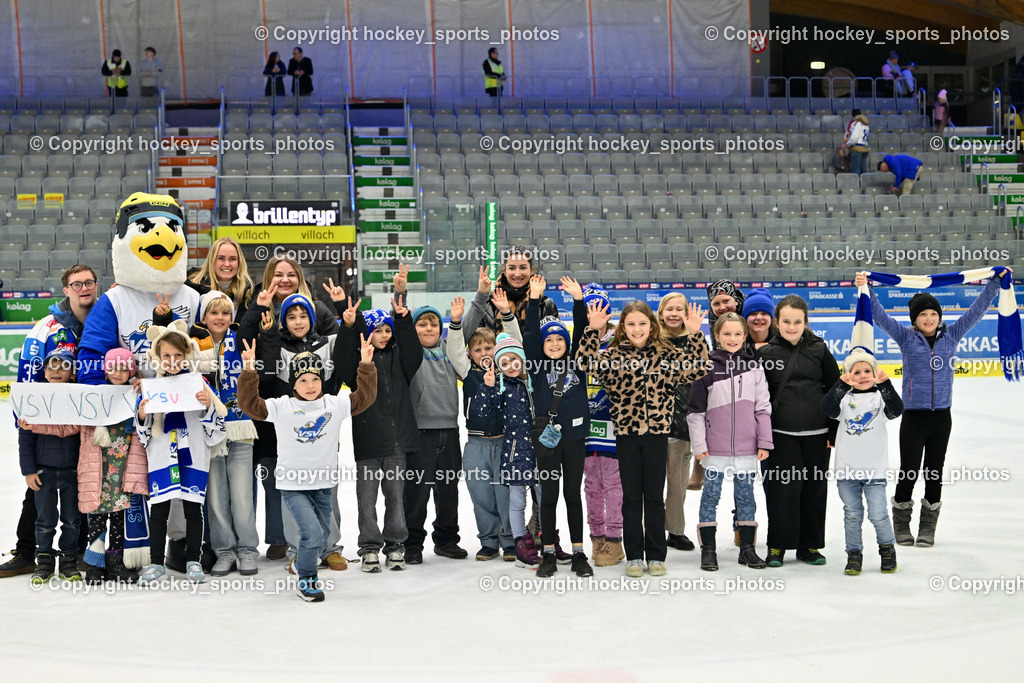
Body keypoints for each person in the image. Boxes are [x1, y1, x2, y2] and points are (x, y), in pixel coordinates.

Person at [855, 268, 1005, 548]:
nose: (929, 318)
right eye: (923, 315)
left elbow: (976, 310)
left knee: (934, 472)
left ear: (939, 318)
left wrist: (995, 283)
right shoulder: (906, 338)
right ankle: (901, 525)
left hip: (941, 418)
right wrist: (867, 288)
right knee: (909, 472)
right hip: (914, 417)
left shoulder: (953, 335)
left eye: (933, 314)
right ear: (915, 320)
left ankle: (927, 527)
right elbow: (880, 316)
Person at [239, 338, 377, 602]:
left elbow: (365, 397)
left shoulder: (334, 404)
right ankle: (307, 578)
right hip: (293, 485)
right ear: (293, 383)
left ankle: (303, 560)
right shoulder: (282, 406)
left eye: (314, 379)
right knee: (312, 533)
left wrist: (367, 365)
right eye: (303, 380)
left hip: (324, 485)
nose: (310, 386)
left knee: (322, 536)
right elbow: (250, 405)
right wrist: (248, 371)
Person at [578, 299, 709, 578]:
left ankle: (656, 556)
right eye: (631, 324)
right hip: (626, 436)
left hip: (657, 436)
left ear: (652, 325)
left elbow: (699, 367)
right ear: (623, 328)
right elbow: (584, 362)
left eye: (642, 323)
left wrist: (696, 334)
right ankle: (635, 556)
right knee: (631, 498)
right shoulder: (613, 356)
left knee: (653, 498)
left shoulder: (667, 354)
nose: (637, 329)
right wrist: (593, 330)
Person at [0, 265, 100, 579]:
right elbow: (27, 380)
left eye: (89, 282)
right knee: (38, 494)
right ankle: (28, 551)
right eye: (77, 284)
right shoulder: (47, 327)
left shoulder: (105, 321)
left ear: (96, 286)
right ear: (67, 289)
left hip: (90, 429)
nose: (84, 288)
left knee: (85, 493)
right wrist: (24, 422)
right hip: (48, 435)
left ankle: (82, 554)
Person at [248, 256, 339, 561]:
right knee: (284, 484)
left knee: (325, 489)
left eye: (290, 274)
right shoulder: (260, 306)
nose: (284, 280)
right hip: (279, 418)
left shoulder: (319, 312)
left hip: (320, 422)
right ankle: (290, 545)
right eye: (278, 274)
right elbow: (267, 368)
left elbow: (339, 353)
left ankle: (329, 547)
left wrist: (326, 402)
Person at [136, 321, 228, 585]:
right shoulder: (150, 387)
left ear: (187, 355)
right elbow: (142, 431)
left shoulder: (198, 385)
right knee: (159, 511)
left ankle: (193, 561)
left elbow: (217, 428)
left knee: (193, 510)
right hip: (163, 456)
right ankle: (155, 563)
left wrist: (207, 406)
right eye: (166, 355)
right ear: (157, 356)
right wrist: (143, 414)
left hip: (192, 456)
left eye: (178, 355)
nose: (173, 360)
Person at [336, 296, 421, 570]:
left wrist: (403, 321)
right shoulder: (358, 367)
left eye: (387, 330)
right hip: (369, 442)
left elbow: (414, 352)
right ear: (367, 335)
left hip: (397, 444)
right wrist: (349, 327)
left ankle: (396, 546)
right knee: (367, 499)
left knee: (396, 498)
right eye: (377, 331)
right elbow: (341, 359)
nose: (384, 336)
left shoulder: (401, 360)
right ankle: (370, 547)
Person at [820, 300, 904, 575]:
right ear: (848, 375)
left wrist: (886, 384)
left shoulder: (880, 397)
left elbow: (896, 411)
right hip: (847, 471)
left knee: (879, 514)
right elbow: (827, 409)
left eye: (867, 371)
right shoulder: (844, 398)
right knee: (852, 514)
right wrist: (840, 386)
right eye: (856, 372)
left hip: (875, 470)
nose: (863, 375)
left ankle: (887, 549)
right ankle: (853, 554)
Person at [756, 295, 840, 568]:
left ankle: (810, 546)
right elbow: (758, 400)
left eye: (798, 321)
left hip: (818, 435)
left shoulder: (819, 349)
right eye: (787, 321)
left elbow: (836, 390)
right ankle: (778, 546)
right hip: (781, 435)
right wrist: (762, 437)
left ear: (805, 322)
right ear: (777, 323)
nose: (792, 326)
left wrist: (833, 432)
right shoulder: (765, 354)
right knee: (782, 492)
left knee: (814, 491)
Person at [688, 313, 772, 572]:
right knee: (710, 496)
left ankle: (747, 548)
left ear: (745, 337)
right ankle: (709, 550)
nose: (732, 338)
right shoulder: (707, 368)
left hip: (747, 448)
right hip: (715, 449)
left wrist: (764, 441)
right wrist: (700, 446)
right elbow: (695, 412)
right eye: (727, 334)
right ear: (717, 336)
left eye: (737, 334)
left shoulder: (755, 368)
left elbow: (763, 408)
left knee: (746, 498)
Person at [397, 264, 468, 562]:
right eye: (422, 324)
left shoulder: (449, 352)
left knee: (448, 488)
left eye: (433, 324)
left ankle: (447, 538)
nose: (428, 329)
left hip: (449, 431)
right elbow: (399, 324)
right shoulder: (409, 355)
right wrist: (401, 293)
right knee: (416, 491)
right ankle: (412, 542)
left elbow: (465, 329)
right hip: (420, 433)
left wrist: (473, 301)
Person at [526, 275, 593, 578]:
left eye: (559, 339)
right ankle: (548, 553)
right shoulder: (537, 367)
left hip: (575, 438)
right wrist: (532, 300)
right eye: (549, 340)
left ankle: (579, 553)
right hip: (547, 440)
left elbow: (582, 332)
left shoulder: (577, 362)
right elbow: (529, 335)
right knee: (549, 495)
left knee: (572, 495)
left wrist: (578, 301)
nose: (554, 343)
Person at [447, 294, 521, 561]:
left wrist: (507, 315)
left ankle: (510, 540)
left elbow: (517, 344)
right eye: (477, 350)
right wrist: (456, 323)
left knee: (505, 494)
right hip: (476, 444)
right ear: (470, 354)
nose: (484, 354)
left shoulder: (508, 370)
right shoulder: (468, 372)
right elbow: (453, 350)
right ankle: (489, 541)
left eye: (488, 348)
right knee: (481, 496)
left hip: (504, 443)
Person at [191, 292, 260, 577]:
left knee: (242, 495)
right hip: (208, 430)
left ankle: (247, 550)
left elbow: (254, 380)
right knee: (216, 497)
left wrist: (249, 365)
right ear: (203, 317)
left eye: (225, 313)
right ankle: (224, 551)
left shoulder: (241, 341)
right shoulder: (193, 345)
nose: (220, 318)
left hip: (240, 425)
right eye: (213, 312)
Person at [78, 348, 149, 583]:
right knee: (97, 519)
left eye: (123, 368)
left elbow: (146, 422)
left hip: (122, 468)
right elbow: (67, 424)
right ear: (106, 370)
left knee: (119, 518)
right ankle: (95, 565)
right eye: (113, 367)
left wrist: (141, 396)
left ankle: (115, 562)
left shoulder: (135, 392)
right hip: (99, 470)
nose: (118, 373)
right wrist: (34, 424)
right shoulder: (94, 395)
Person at [474, 333, 542, 568]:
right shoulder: (501, 389)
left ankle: (548, 541)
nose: (510, 366)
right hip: (514, 454)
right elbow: (482, 412)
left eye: (515, 360)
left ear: (522, 360)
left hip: (539, 453)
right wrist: (487, 386)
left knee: (545, 498)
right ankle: (521, 542)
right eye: (504, 362)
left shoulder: (533, 384)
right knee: (517, 502)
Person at [18, 348, 83, 584]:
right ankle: (43, 561)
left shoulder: (78, 399)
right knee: (44, 521)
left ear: (73, 373)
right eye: (52, 367)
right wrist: (28, 470)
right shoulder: (34, 400)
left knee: (72, 520)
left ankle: (68, 560)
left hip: (73, 472)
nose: (57, 371)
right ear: (44, 372)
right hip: (44, 471)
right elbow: (25, 439)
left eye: (63, 367)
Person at [657, 292, 710, 553]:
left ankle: (675, 531)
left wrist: (695, 335)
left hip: (681, 425)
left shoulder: (695, 339)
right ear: (661, 311)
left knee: (677, 485)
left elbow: (703, 370)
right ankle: (651, 528)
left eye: (680, 308)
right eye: (670, 308)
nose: (674, 313)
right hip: (653, 425)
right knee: (652, 485)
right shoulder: (651, 339)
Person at [580, 284, 624, 566]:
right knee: (591, 486)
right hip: (584, 428)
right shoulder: (578, 341)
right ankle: (596, 538)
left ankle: (615, 540)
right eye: (588, 308)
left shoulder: (621, 342)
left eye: (600, 307)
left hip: (613, 427)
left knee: (614, 485)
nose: (595, 313)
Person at [689, 279, 744, 491]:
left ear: (736, 300)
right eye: (716, 303)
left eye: (726, 301)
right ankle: (700, 462)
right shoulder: (715, 320)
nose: (722, 307)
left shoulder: (749, 313)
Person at [466, 257, 559, 336]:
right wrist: (481, 294)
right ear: (505, 271)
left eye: (523, 268)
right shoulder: (488, 303)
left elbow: (554, 341)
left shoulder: (546, 304)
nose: (517, 274)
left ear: (531, 270)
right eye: (512, 268)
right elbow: (468, 339)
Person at [187, 236, 255, 323]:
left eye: (232, 259)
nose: (227, 264)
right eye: (221, 258)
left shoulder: (249, 295)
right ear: (212, 260)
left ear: (239, 262)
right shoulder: (193, 291)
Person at [842, 112, 871, 176]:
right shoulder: (867, 126)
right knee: (863, 169)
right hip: (865, 148)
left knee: (856, 169)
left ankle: (857, 184)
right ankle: (864, 184)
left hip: (857, 148)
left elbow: (854, 138)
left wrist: (847, 145)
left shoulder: (857, 124)